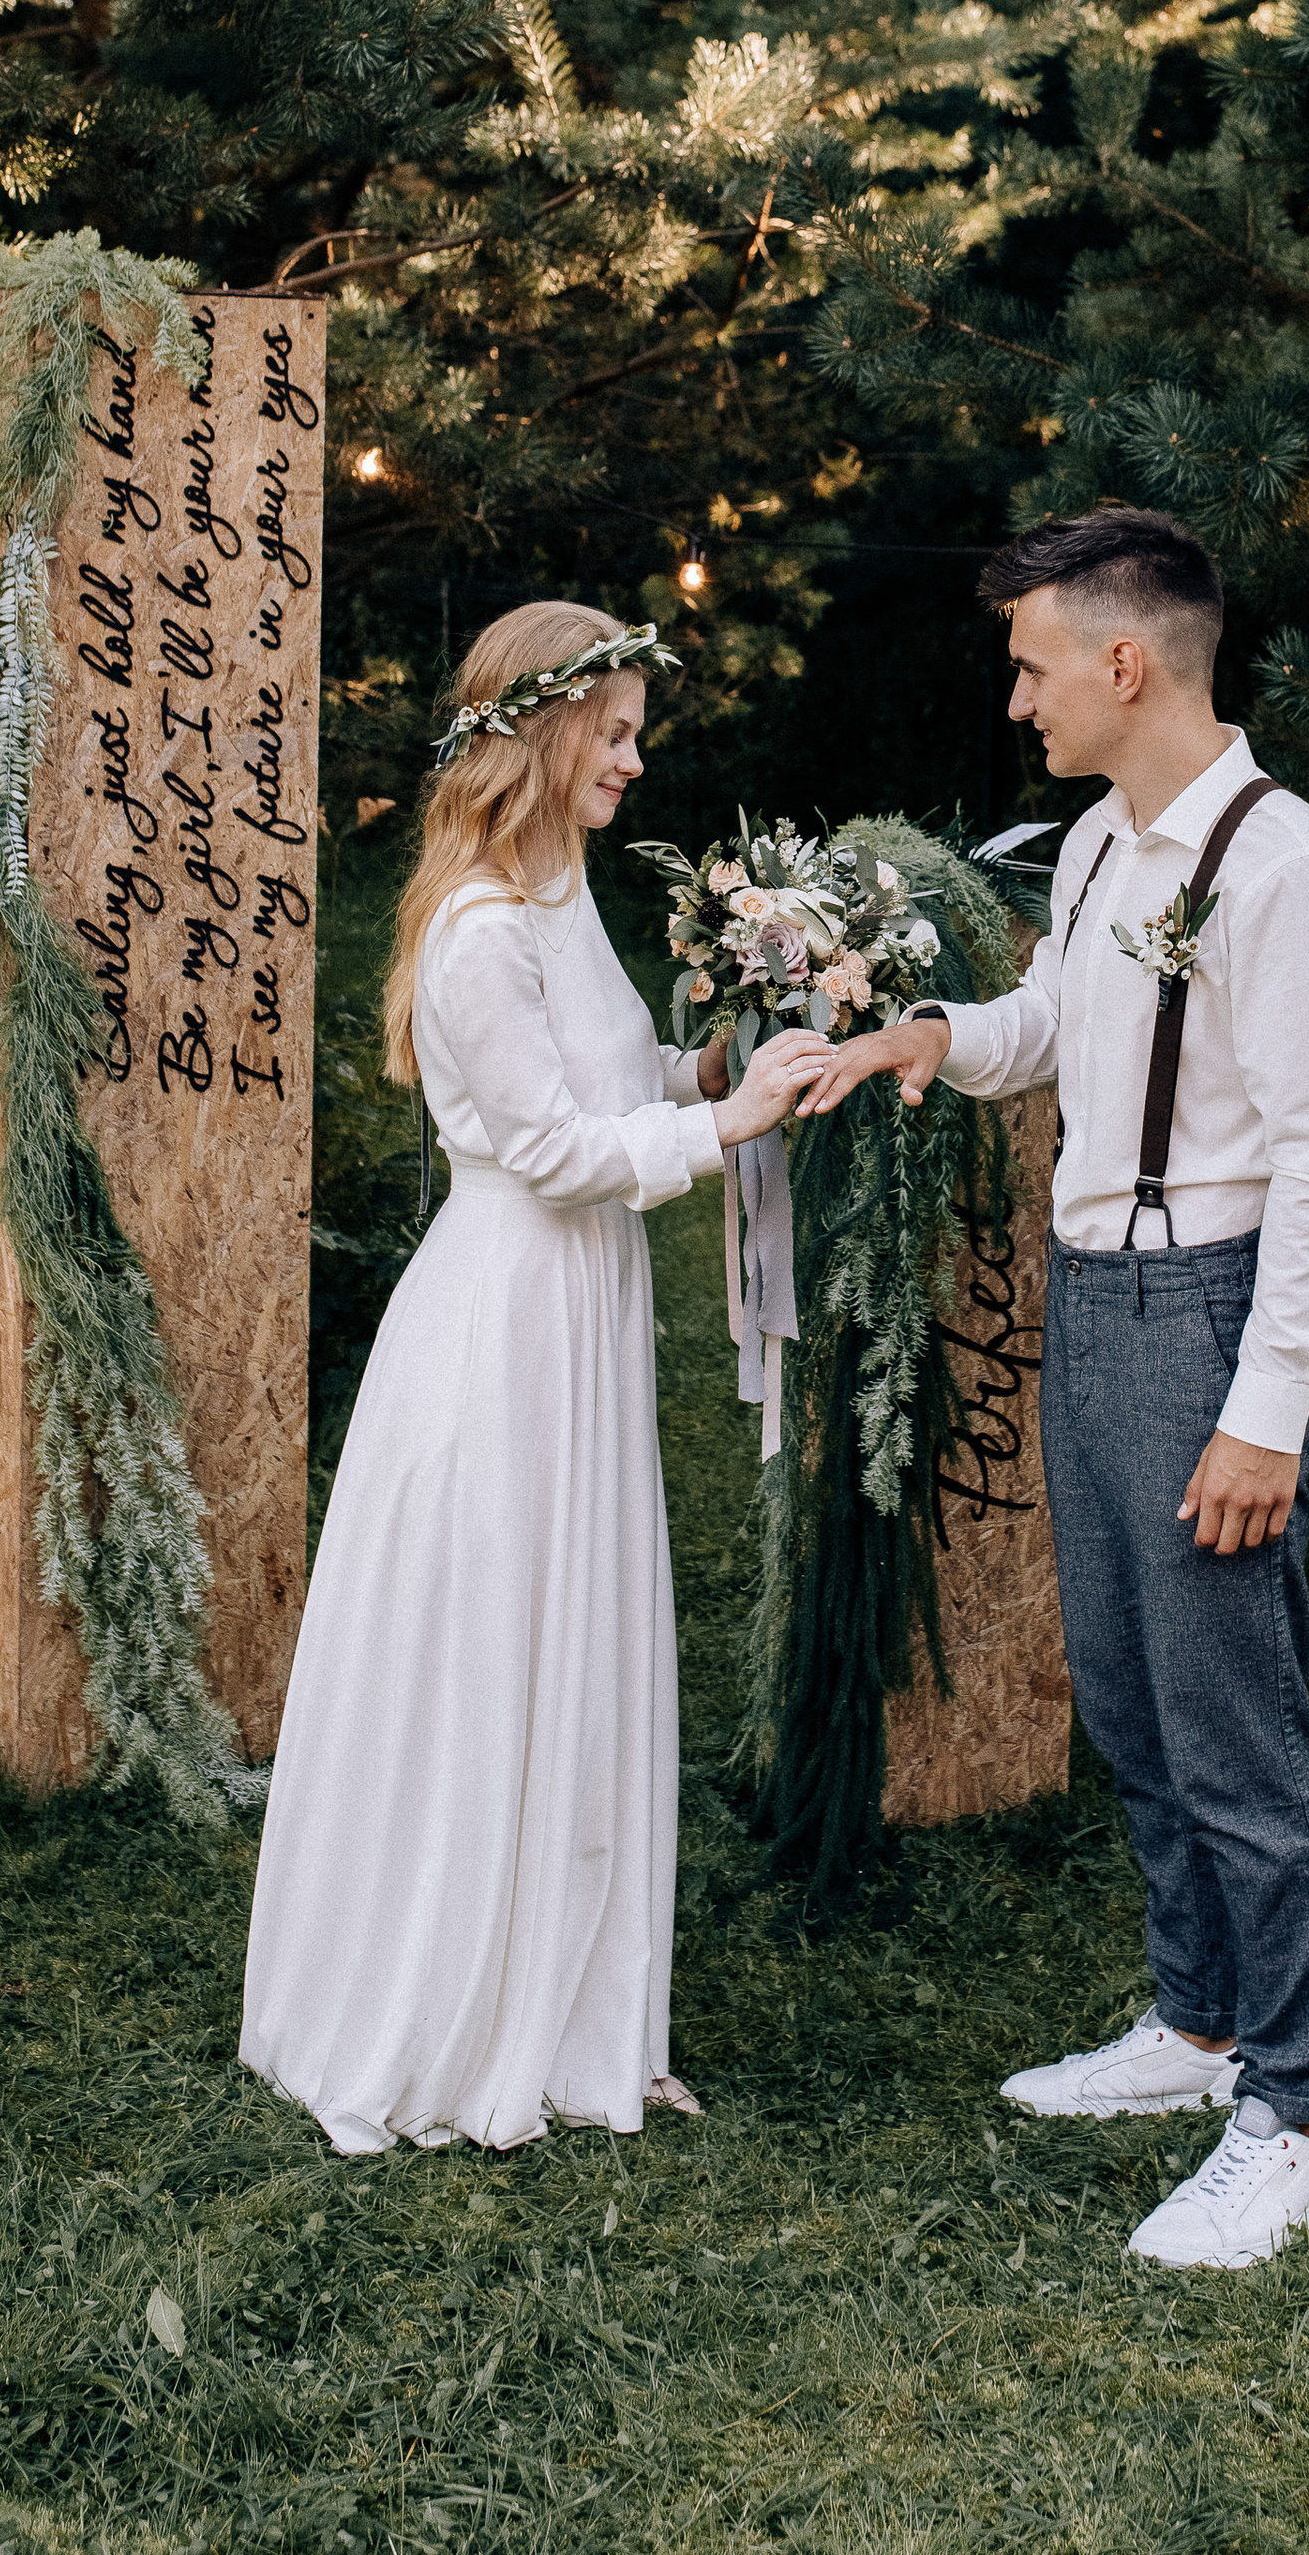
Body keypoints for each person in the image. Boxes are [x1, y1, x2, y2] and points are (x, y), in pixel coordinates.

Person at [801, 510, 1309, 2270]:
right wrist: (938, 1037)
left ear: (1126, 664)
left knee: (1235, 1727)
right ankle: (1198, 2029)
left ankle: (1299, 2115)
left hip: (1208, 1314)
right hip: (1096, 1297)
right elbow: (1059, 1022)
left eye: (1033, 665)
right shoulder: (1092, 851)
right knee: (1130, 1696)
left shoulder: (1289, 874)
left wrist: (1266, 1407)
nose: (1017, 698)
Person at [240, 599, 831, 2156]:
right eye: (614, 732)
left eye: (639, 733)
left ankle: (576, 1996)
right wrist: (735, 1125)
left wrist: (711, 1064)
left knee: (579, 1627)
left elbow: (605, 1083)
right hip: (507, 1315)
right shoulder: (479, 930)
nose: (634, 761)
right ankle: (450, 2000)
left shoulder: (560, 897)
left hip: (581, 1310)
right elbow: (558, 1154)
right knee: (498, 1632)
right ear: (540, 731)